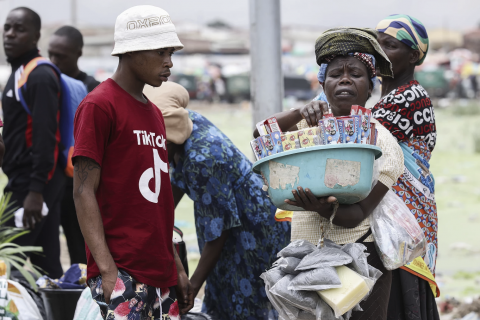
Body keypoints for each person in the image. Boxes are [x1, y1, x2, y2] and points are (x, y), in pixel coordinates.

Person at [255, 28, 404, 319]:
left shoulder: (384, 144)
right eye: (336, 74)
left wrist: (325, 210)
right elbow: (261, 135)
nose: (345, 79)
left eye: (356, 74)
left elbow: (360, 212)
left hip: (360, 260)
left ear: (370, 86)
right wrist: (300, 111)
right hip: (304, 256)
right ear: (323, 84)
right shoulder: (305, 130)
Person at [72, 6, 193, 319]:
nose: (169, 62)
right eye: (161, 52)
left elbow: (157, 200)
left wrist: (176, 265)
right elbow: (83, 191)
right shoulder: (99, 105)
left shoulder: (154, 112)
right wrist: (108, 271)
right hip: (123, 271)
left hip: (161, 271)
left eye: (172, 53)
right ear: (131, 51)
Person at [144, 81, 291, 320]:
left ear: (167, 140)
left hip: (252, 228)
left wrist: (191, 286)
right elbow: (175, 182)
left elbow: (218, 231)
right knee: (224, 292)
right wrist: (159, 217)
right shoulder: (184, 122)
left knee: (247, 302)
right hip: (228, 220)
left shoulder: (204, 158)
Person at [374, 14, 440, 320]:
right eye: (376, 44)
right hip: (392, 213)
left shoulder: (410, 97)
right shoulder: (387, 97)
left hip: (403, 218)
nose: (380, 51)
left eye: (390, 45)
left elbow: (357, 135)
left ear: (414, 55)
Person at [1, 7, 65, 278]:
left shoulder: (38, 76)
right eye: (7, 27)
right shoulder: (18, 74)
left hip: (32, 186)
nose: (10, 34)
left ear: (36, 35)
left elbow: (45, 136)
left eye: (19, 29)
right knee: (46, 266)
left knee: (6, 259)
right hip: (25, 182)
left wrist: (36, 192)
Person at [48, 25, 100, 265]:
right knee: (47, 254)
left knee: (81, 253)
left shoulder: (94, 90)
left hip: (80, 184)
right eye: (51, 54)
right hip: (49, 180)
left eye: (61, 56)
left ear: (78, 54)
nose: (54, 61)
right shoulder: (45, 85)